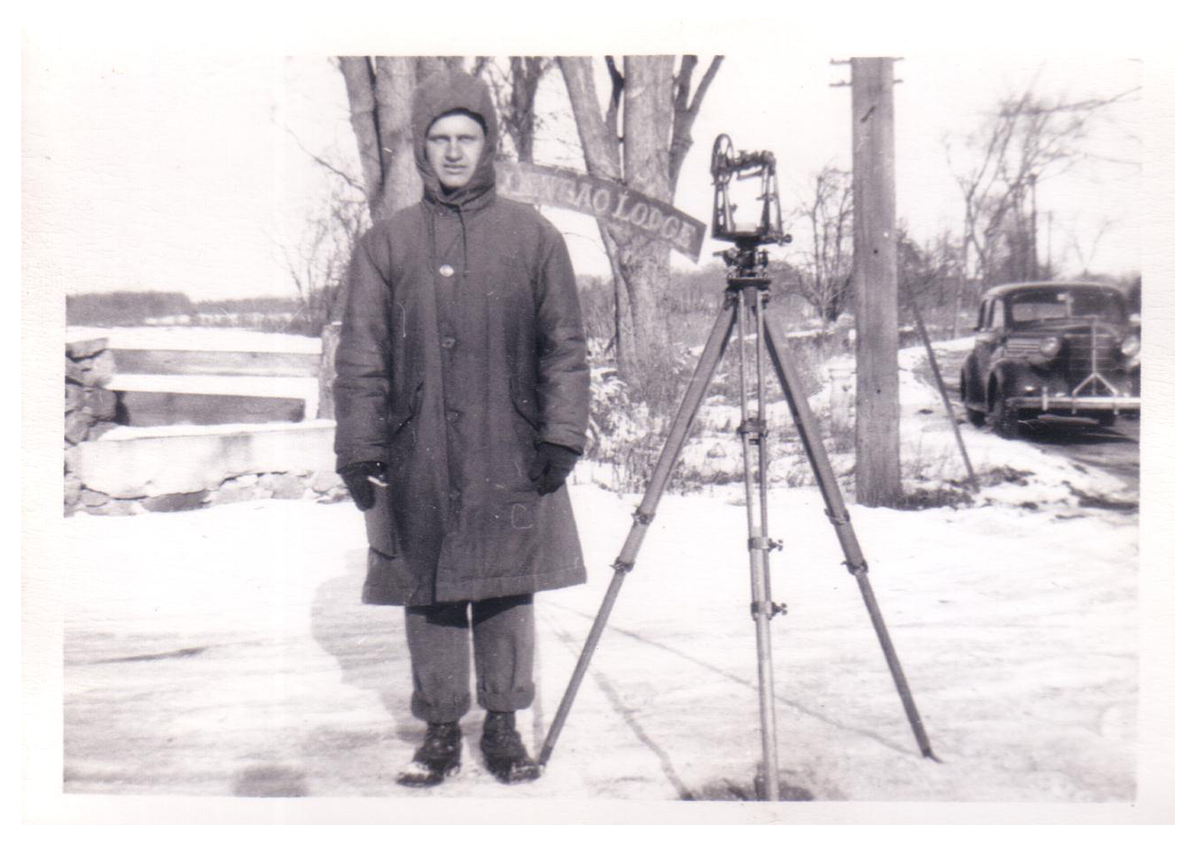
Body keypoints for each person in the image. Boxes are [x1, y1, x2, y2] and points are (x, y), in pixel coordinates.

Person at [333, 69, 588, 787]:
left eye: (466, 137)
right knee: (432, 589)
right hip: (421, 453)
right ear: (421, 146)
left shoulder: (532, 236)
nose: (452, 152)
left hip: (510, 446)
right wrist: (359, 445)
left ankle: (503, 725)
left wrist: (562, 433)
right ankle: (440, 728)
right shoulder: (386, 244)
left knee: (507, 585)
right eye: (439, 138)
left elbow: (564, 345)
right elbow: (361, 356)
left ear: (487, 144)